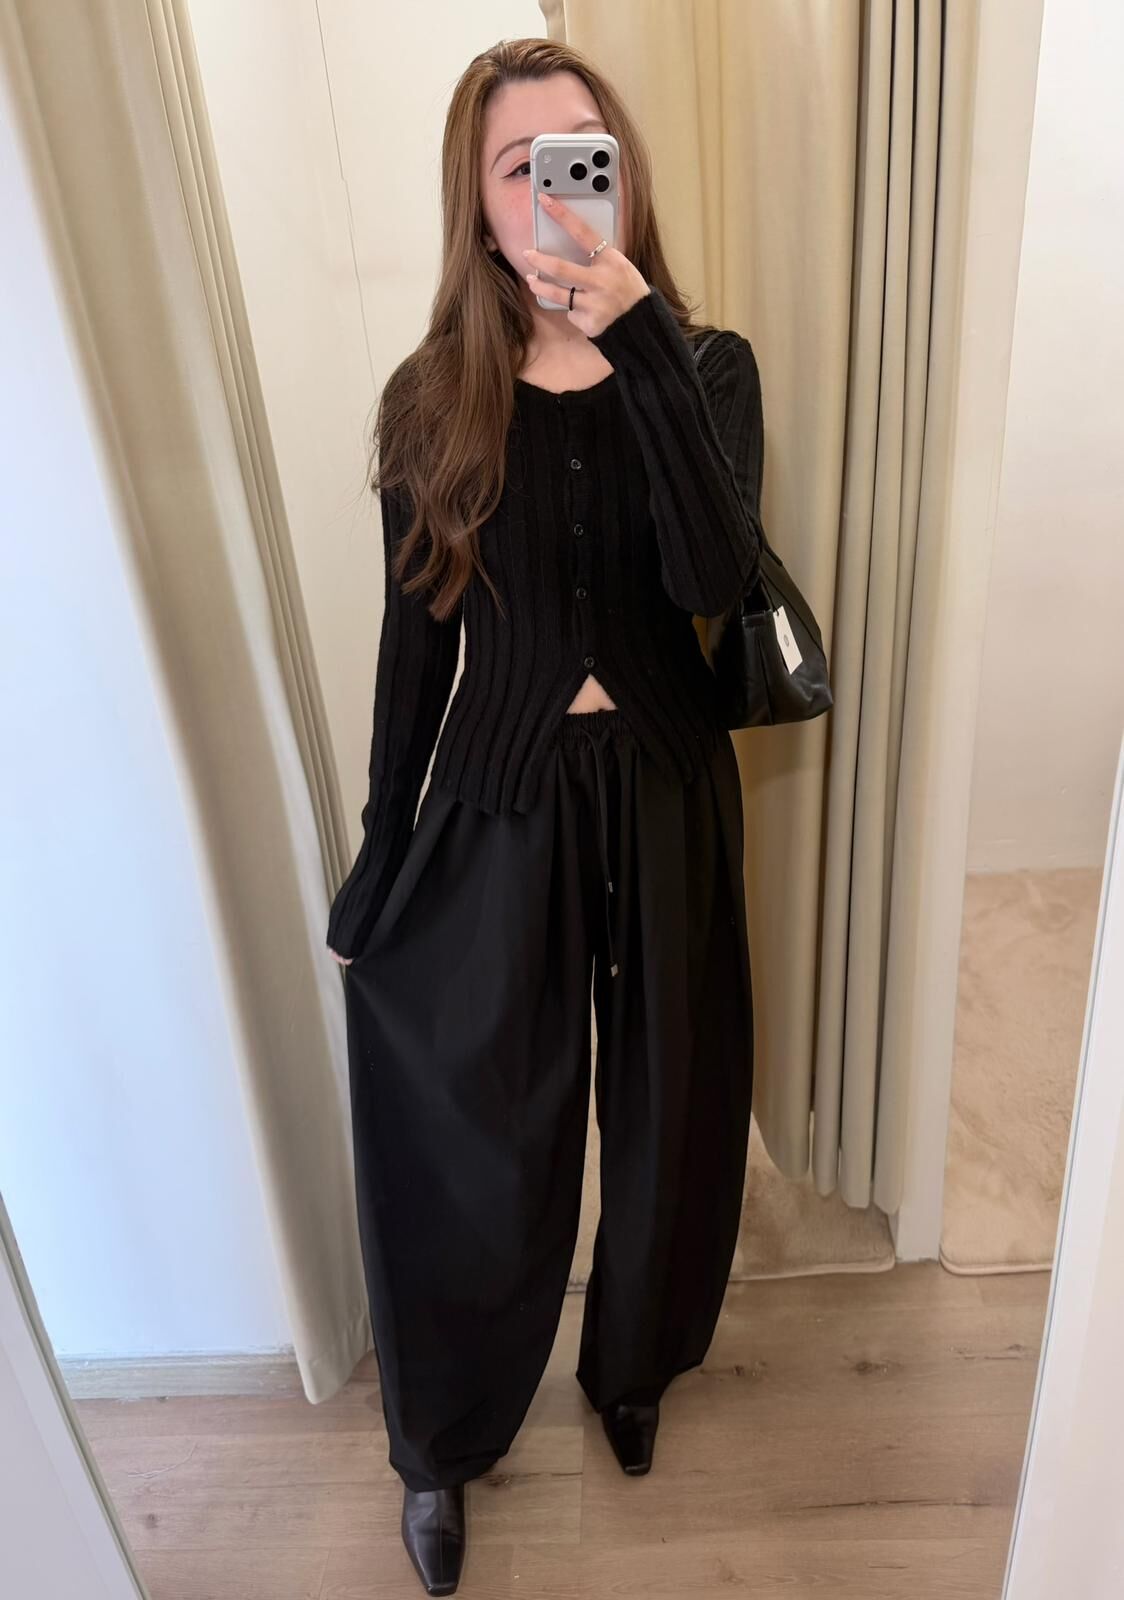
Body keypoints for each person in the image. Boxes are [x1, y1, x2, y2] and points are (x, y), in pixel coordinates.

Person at [326, 37, 765, 1598]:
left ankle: (633, 1367)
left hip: (665, 791)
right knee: (475, 1131)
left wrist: (636, 339)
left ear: (622, 172)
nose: (558, 188)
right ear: (480, 203)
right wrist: (381, 852)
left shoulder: (708, 367)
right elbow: (415, 650)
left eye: (585, 155)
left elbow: (713, 584)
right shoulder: (431, 398)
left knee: (670, 1106)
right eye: (521, 166)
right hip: (499, 801)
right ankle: (441, 1444)